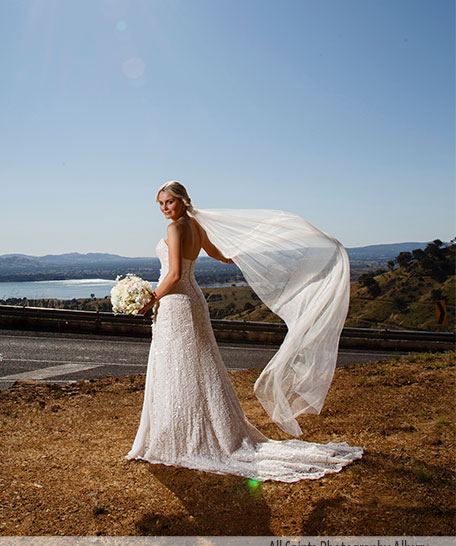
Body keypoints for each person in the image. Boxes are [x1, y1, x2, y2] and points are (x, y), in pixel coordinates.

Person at [126, 181, 363, 482]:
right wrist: (249, 254)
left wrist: (150, 300)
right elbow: (220, 255)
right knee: (197, 365)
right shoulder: (196, 225)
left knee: (179, 366)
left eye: (169, 202)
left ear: (182, 201)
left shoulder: (176, 228)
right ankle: (195, 430)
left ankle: (183, 436)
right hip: (193, 300)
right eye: (160, 204)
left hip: (177, 302)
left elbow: (173, 274)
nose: (164, 209)